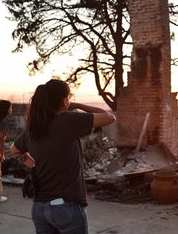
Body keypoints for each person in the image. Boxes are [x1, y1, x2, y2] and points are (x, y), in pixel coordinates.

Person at [10, 79, 115, 234]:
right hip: (65, 206)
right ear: (64, 99)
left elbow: (14, 150)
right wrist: (78, 106)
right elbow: (109, 117)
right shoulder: (67, 120)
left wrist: (33, 164)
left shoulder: (35, 127)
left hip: (40, 207)